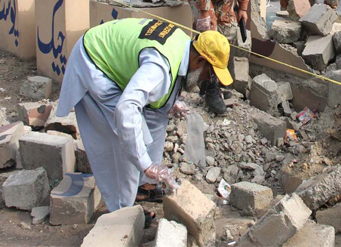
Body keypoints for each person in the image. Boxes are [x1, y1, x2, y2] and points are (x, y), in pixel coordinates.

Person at [55, 18, 233, 221]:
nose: (206, 81)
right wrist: (146, 164)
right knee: (121, 139)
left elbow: (161, 87)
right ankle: (123, 214)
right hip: (95, 61)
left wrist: (170, 103)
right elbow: (126, 109)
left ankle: (144, 185)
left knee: (160, 112)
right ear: (200, 60)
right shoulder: (159, 67)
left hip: (113, 57)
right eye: (209, 74)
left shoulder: (184, 46)